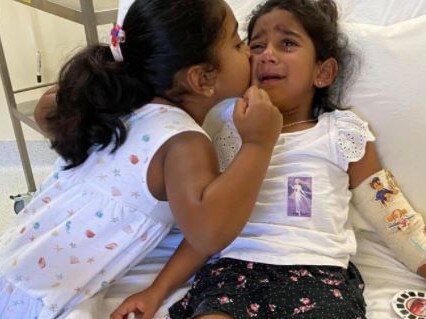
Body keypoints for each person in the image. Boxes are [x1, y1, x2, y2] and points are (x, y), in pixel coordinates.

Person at [111, 0, 426, 318]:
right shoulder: (228, 131)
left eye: (287, 43)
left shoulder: (341, 132)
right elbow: (207, 227)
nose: (266, 54)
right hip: (233, 275)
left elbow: (390, 213)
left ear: (323, 71)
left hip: (318, 277)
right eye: (256, 45)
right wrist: (156, 290)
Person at [0, 0, 283, 318]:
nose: (249, 53)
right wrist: (259, 143)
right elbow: (208, 233)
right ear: (202, 79)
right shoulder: (183, 143)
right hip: (46, 297)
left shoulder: (120, 104)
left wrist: (157, 289)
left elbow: (46, 110)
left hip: (16, 262)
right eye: (237, 42)